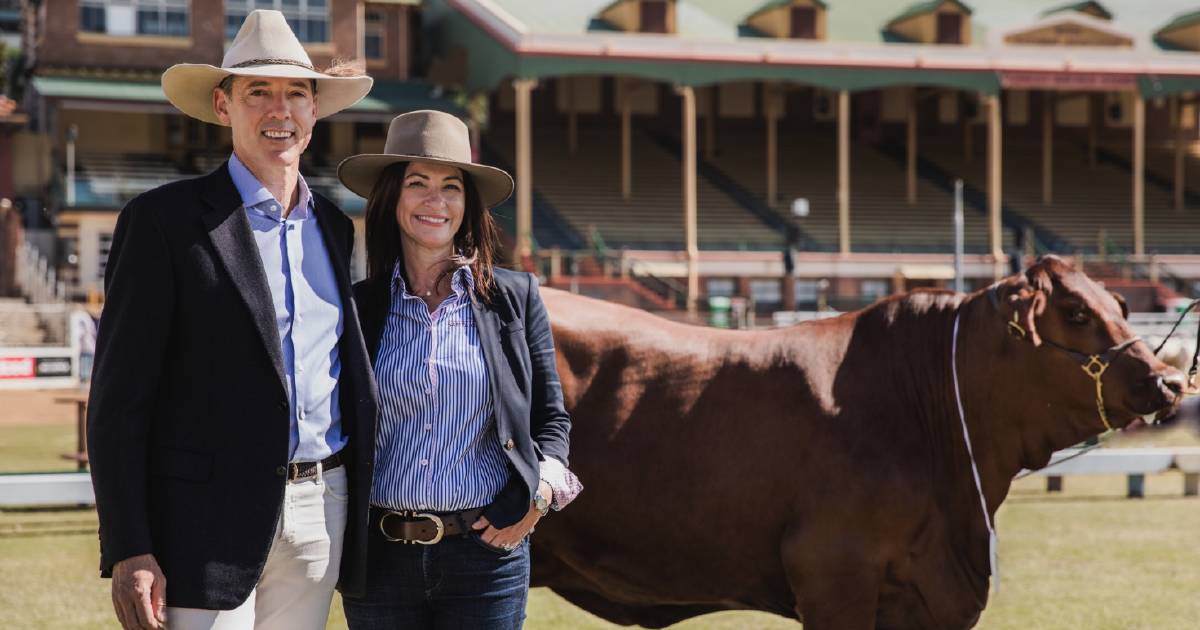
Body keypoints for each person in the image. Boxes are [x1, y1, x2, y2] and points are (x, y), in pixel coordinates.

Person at [86, 10, 377, 630]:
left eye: (296, 92)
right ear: (223, 106)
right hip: (200, 522)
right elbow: (118, 402)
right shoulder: (163, 222)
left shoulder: (333, 226)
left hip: (323, 509)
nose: (281, 110)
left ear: (315, 110)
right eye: (258, 92)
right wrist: (129, 545)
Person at [338, 110, 582, 629]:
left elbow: (552, 421)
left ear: (468, 203)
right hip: (379, 561)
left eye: (451, 186)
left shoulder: (515, 299)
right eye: (418, 183)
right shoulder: (356, 309)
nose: (436, 200)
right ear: (392, 198)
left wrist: (537, 500)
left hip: (485, 557)